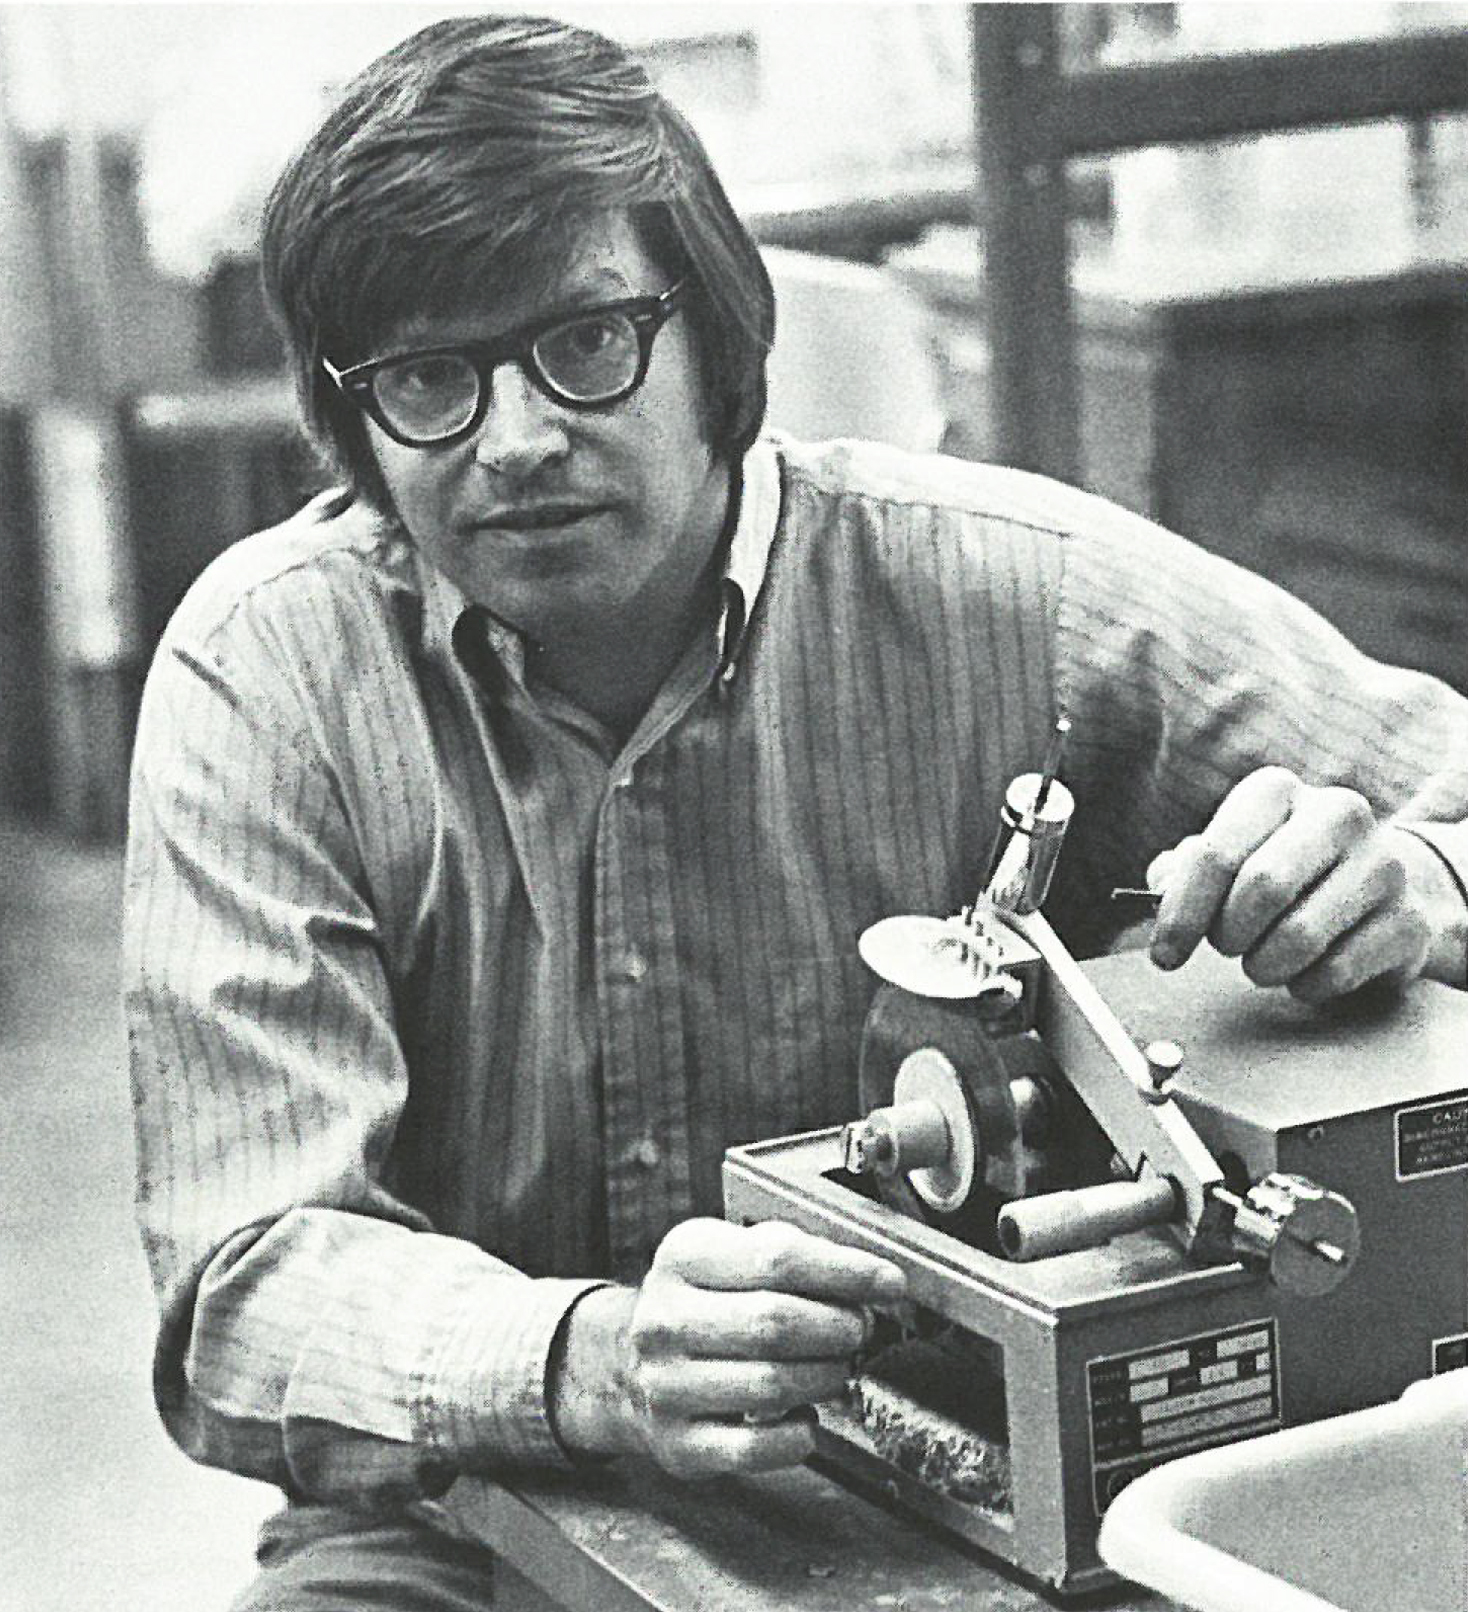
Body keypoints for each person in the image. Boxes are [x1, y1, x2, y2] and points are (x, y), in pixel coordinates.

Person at [122, 12, 1468, 1609]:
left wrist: (1419, 880)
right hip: (471, 1519)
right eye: (427, 380)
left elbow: (1446, 793)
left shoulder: (1014, 596)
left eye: (585, 341)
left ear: (713, 328)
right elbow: (243, 1285)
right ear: (351, 425)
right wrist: (589, 1359)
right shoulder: (269, 673)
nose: (521, 439)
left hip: (1000, 1498)